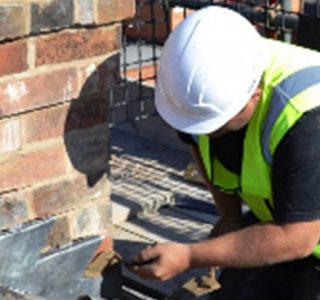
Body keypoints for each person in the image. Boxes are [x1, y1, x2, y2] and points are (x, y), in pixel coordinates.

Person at [128, 6, 320, 299]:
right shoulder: (201, 77)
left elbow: (297, 239)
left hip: (303, 234)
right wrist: (229, 215)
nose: (203, 134)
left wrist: (190, 255)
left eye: (214, 126)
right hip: (288, 220)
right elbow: (196, 142)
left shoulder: (304, 117)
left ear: (253, 96)